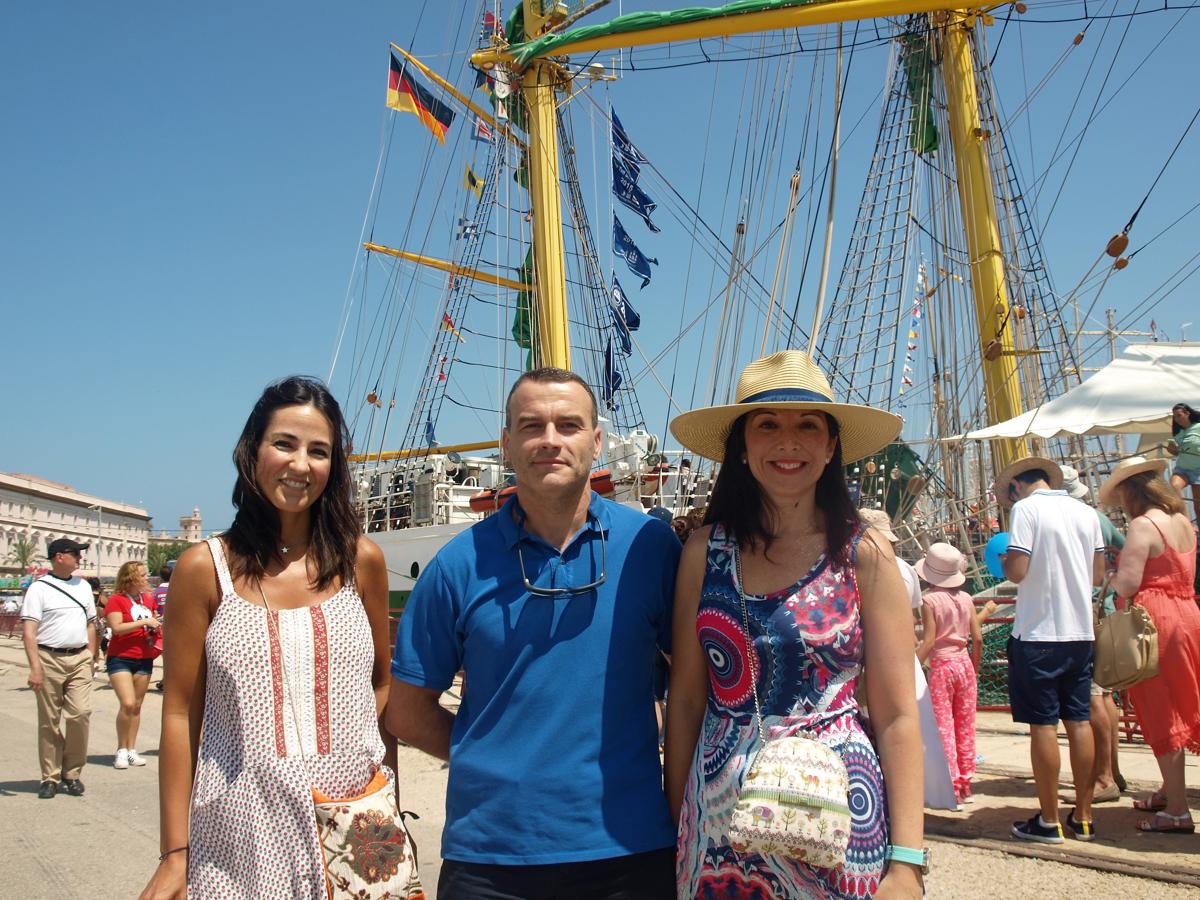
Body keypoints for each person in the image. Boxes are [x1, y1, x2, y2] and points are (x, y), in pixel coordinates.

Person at [388, 367, 680, 900]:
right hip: (491, 857)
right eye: (531, 425)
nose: (549, 440)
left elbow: (693, 681)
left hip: (629, 848)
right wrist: (492, 756)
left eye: (568, 425)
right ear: (506, 443)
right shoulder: (456, 566)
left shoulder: (651, 549)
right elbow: (407, 709)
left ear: (596, 442)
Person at [665, 351, 926, 899]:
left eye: (809, 425)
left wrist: (906, 863)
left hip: (839, 821)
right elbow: (686, 700)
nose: (789, 441)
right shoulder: (703, 553)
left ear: (832, 446)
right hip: (718, 824)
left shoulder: (865, 555)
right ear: (741, 448)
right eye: (768, 425)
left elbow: (899, 714)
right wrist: (676, 822)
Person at [138, 376, 393, 900]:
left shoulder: (361, 561)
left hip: (356, 825)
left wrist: (386, 800)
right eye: (284, 444)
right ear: (251, 450)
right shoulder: (202, 570)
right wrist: (175, 854)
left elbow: (381, 686)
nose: (301, 465)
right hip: (240, 836)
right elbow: (181, 712)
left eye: (318, 451)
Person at [997, 456, 1104, 843]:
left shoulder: (1026, 510)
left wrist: (1006, 561)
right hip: (1079, 632)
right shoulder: (1085, 512)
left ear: (1016, 487)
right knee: (1079, 722)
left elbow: (1018, 571)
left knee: (1042, 725)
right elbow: (1096, 574)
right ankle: (1085, 815)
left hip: (1039, 632)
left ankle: (1048, 819)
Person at [1101, 456, 1200, 833]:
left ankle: (1176, 809)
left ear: (1131, 491)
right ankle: (1168, 790)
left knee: (1163, 709)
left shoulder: (1144, 525)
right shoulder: (1181, 522)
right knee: (1186, 698)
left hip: (1155, 620)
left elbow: (1127, 584)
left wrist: (1111, 571)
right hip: (1188, 613)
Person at [1060, 464, 1128, 803]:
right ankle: (1110, 768)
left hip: (1083, 613)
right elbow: (1123, 547)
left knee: (1092, 697)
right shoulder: (1096, 518)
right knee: (1105, 696)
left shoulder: (1071, 520)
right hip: (1102, 609)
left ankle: (1102, 778)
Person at [20, 538, 98, 799]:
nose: (80, 558)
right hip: (48, 657)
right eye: (75, 554)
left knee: (80, 713)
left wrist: (90, 654)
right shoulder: (39, 589)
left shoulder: (84, 586)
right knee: (49, 721)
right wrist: (35, 667)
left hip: (78, 659)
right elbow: (29, 631)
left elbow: (91, 623)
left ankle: (72, 771)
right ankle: (50, 776)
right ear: (58, 557)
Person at [915, 543, 981, 806]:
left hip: (942, 666)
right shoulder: (967, 599)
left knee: (943, 727)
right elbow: (977, 637)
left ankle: (951, 786)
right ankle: (966, 783)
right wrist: (975, 666)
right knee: (965, 725)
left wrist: (914, 666)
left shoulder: (929, 600)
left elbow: (929, 641)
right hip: (964, 663)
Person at [104, 560, 161, 768]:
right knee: (127, 703)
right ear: (132, 578)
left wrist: (154, 626)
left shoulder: (147, 599)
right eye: (143, 575)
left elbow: (154, 618)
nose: (147, 579)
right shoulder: (117, 600)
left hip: (144, 656)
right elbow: (117, 627)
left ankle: (131, 749)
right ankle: (121, 749)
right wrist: (144, 622)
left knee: (136, 706)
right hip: (121, 657)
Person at [1168, 402, 1200, 522]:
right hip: (1183, 468)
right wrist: (1172, 450)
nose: (1176, 419)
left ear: (1187, 413)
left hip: (1198, 470)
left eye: (1179, 415)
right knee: (1174, 486)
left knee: (1198, 507)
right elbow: (1177, 453)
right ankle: (1186, 523)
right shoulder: (1178, 433)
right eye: (1175, 417)